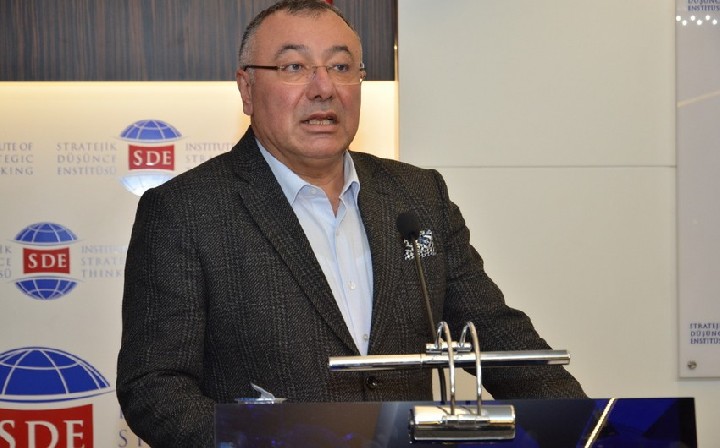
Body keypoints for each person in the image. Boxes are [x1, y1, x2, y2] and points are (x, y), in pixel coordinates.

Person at [116, 0, 585, 446]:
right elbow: (155, 388)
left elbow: (498, 341)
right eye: (294, 67)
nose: (323, 88)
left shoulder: (418, 196)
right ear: (247, 88)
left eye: (341, 67)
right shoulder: (185, 211)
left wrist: (592, 427)